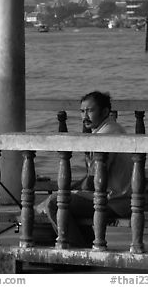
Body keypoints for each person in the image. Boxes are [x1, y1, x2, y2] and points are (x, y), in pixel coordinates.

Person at [36, 91, 133, 247]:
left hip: (114, 202)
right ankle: (84, 244)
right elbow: (92, 180)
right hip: (120, 199)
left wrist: (64, 191)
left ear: (105, 111)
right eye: (82, 111)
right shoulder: (112, 129)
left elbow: (91, 183)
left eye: (90, 110)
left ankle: (73, 250)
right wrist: (69, 190)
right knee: (64, 199)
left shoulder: (105, 136)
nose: (85, 116)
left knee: (55, 203)